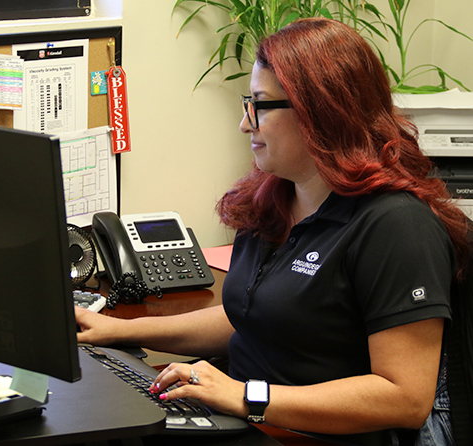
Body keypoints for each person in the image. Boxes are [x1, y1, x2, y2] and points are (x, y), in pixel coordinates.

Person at [76, 18, 471, 446]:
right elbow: (253, 315)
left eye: (260, 106)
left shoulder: (396, 225)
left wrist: (245, 396)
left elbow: (404, 398)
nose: (245, 124)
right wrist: (118, 331)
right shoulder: (271, 201)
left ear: (320, 111)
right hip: (250, 422)